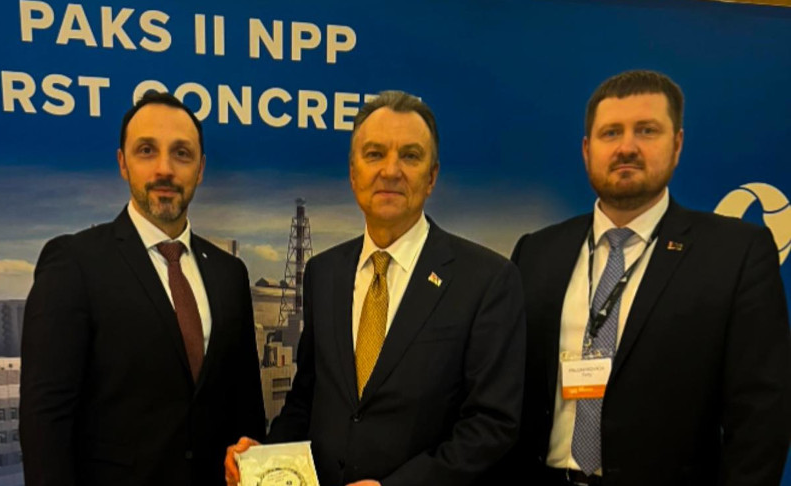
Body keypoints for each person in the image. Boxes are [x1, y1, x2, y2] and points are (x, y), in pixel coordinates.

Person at [224, 90, 526, 486]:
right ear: (353, 175)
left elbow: (491, 425)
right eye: (374, 154)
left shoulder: (487, 280)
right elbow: (307, 400)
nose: (390, 170)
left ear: (432, 177)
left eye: (410, 156)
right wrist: (262, 460)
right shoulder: (323, 273)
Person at [510, 70, 790, 485]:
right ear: (587, 150)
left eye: (646, 130)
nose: (627, 147)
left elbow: (761, 413)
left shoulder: (735, 254)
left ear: (677, 144)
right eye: (611, 133)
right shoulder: (536, 252)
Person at [19, 91, 265, 486]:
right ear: (123, 163)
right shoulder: (73, 263)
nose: (164, 169)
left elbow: (247, 409)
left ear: (200, 169)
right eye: (147, 150)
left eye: (181, 153)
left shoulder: (229, 273)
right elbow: (45, 421)